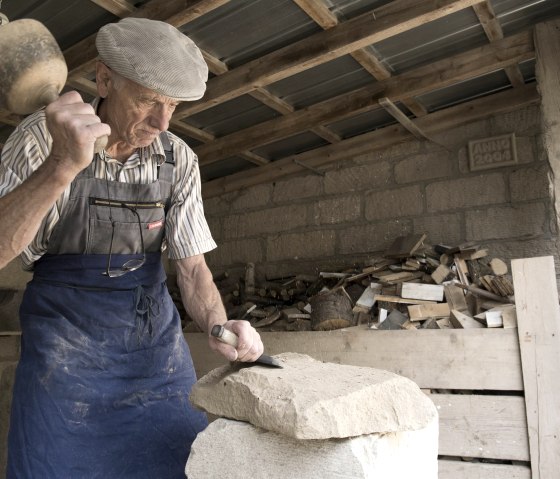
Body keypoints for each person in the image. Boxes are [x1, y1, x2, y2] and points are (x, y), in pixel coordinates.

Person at [0, 17, 264, 478]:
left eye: (173, 106)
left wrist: (221, 326)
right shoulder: (39, 139)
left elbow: (193, 268)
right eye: (147, 100)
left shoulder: (177, 158)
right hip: (64, 353)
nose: (162, 121)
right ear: (104, 79)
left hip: (152, 354)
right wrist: (62, 163)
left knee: (174, 462)